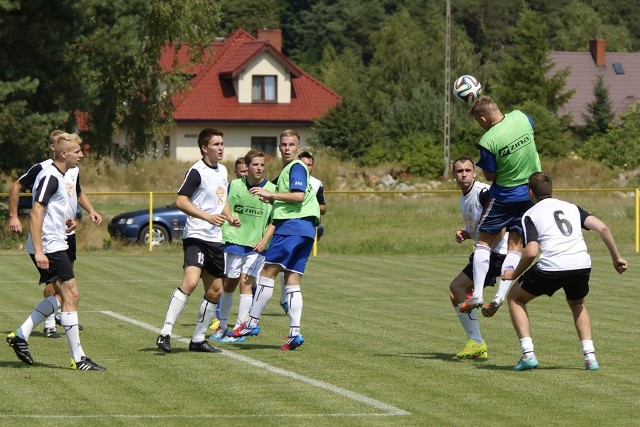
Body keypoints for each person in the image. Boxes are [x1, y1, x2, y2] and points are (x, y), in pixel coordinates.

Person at [502, 172, 627, 371]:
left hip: (552, 266)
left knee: (515, 298)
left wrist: (513, 274)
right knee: (577, 302)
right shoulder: (571, 207)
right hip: (581, 264)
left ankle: (528, 355)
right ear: (551, 190)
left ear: (530, 192)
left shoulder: (530, 214)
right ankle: (590, 358)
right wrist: (616, 257)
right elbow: (602, 228)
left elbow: (531, 251)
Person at [6, 132, 105, 370]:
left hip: (56, 241)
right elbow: (36, 212)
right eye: (77, 151)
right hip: (50, 246)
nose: (81, 154)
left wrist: (67, 222)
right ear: (63, 153)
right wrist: (39, 251)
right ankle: (79, 358)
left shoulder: (62, 175)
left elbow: (52, 211)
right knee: (72, 296)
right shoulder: (50, 175)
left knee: (63, 297)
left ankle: (21, 335)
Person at [229, 130, 320, 350]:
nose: (287, 148)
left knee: (266, 273)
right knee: (292, 281)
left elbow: (298, 196)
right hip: (306, 230)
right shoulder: (290, 170)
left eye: (292, 144)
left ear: (298, 148)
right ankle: (294, 333)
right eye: (284, 144)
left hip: (291, 227)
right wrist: (273, 200)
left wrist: (272, 195)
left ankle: (251, 322)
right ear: (279, 147)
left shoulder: (296, 167)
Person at [156, 128, 239, 354]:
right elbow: (181, 201)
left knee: (215, 291)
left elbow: (223, 200)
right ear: (204, 148)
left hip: (215, 239)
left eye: (222, 143)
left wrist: (230, 216)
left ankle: (198, 339)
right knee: (190, 282)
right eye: (216, 144)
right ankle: (165, 332)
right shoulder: (196, 171)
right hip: (197, 236)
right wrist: (207, 217)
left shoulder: (222, 171)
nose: (221, 148)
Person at [460, 96, 541, 314]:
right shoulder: (521, 117)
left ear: (484, 118)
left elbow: (489, 174)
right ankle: (500, 296)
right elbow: (532, 125)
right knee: (515, 246)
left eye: (479, 121)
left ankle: (477, 293)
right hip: (529, 195)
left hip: (503, 196)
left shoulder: (488, 140)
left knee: (484, 243)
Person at [449, 157, 513, 359]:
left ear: (475, 173)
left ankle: (476, 342)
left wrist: (485, 251)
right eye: (459, 171)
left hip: (495, 255)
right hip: (486, 254)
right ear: (454, 175)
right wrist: (466, 234)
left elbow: (501, 226)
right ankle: (477, 345)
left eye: (468, 170)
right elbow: (479, 229)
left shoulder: (483, 193)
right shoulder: (464, 197)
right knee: (457, 292)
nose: (464, 174)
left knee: (458, 288)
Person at [210, 149, 276, 344]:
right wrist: (230, 217)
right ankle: (222, 326)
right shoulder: (235, 186)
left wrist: (264, 240)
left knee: (246, 284)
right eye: (255, 164)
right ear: (246, 167)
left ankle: (239, 329)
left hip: (257, 246)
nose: (259, 168)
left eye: (262, 165)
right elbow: (222, 204)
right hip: (234, 241)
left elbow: (275, 220)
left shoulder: (271, 189)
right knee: (229, 284)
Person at [278, 150, 327, 314]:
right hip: (286, 225)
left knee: (290, 269)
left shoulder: (316, 183)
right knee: (279, 266)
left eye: (309, 165)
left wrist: (310, 204)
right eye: (304, 164)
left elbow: (323, 207)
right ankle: (283, 301)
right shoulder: (289, 174)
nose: (306, 167)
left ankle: (252, 320)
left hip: (304, 227)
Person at [210, 156, 250, 332]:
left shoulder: (258, 190)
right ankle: (218, 319)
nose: (245, 175)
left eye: (247, 171)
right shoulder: (230, 188)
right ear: (236, 173)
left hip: (250, 241)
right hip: (230, 240)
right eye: (242, 172)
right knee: (225, 282)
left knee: (248, 281)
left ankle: (246, 318)